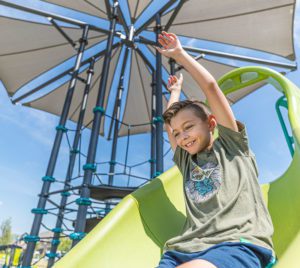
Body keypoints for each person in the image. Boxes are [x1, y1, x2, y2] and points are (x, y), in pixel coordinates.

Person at [155, 31, 277, 268]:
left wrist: (180, 54)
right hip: (184, 249)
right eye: (178, 133)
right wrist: (175, 93)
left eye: (189, 127)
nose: (183, 136)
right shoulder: (187, 160)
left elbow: (211, 87)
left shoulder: (232, 146)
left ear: (211, 124)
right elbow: (168, 127)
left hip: (237, 243)